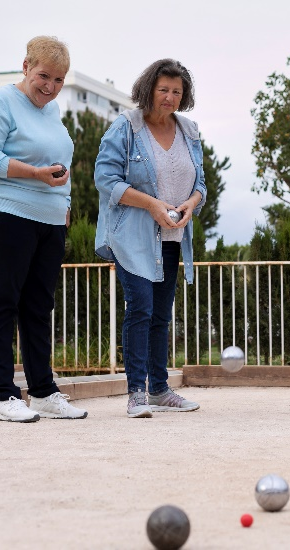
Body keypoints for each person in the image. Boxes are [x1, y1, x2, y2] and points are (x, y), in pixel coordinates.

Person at [0, 36, 87, 422]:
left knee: (38, 307)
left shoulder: (52, 112)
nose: (50, 86)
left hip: (50, 220)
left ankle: (42, 392)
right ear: (25, 67)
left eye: (59, 80)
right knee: (2, 302)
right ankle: (2, 396)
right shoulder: (2, 101)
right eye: (43, 76)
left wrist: (64, 204)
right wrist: (35, 173)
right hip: (7, 212)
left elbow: (61, 166)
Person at [94, 59, 206, 418]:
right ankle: (136, 393)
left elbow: (200, 184)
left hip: (173, 236)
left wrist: (190, 204)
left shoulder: (189, 130)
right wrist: (152, 205)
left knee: (160, 315)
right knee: (140, 308)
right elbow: (106, 179)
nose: (170, 97)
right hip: (133, 236)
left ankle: (159, 390)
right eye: (164, 90)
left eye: (177, 91)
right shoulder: (126, 126)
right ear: (149, 90)